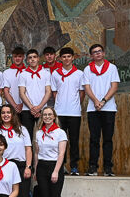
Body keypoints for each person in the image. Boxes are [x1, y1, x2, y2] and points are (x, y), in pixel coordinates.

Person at [0, 104, 37, 197]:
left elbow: (28, 149)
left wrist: (28, 167)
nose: (6, 115)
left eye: (9, 112)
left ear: (13, 115)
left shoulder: (22, 130)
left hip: (20, 166)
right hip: (4, 166)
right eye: (3, 112)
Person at [82, 44, 120, 176]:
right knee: (94, 139)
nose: (97, 54)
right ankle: (93, 167)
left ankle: (108, 168)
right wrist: (96, 101)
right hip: (93, 109)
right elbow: (87, 88)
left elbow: (114, 86)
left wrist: (103, 101)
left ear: (103, 53)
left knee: (108, 139)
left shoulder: (112, 68)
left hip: (108, 109)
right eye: (94, 52)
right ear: (91, 56)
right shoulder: (87, 69)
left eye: (99, 51)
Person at [34, 107, 67, 197]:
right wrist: (36, 170)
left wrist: (56, 171)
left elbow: (61, 154)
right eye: (45, 115)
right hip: (42, 166)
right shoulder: (38, 133)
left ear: (54, 117)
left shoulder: (60, 133)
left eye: (49, 115)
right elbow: (36, 153)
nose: (47, 117)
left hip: (54, 166)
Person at [51, 47, 84, 175]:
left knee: (74, 140)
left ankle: (74, 166)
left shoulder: (79, 74)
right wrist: (61, 103)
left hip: (74, 112)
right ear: (60, 58)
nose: (66, 59)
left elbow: (82, 93)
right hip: (59, 113)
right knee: (60, 141)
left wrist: (74, 104)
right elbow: (55, 93)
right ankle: (61, 166)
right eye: (64, 57)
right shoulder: (55, 74)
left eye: (69, 56)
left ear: (73, 57)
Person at [18, 49, 51, 139]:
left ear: (38, 59)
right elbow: (22, 93)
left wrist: (39, 107)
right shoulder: (23, 74)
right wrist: (32, 108)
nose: (32, 59)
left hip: (43, 109)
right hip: (27, 110)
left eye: (34, 57)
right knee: (27, 137)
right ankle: (30, 153)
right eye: (30, 58)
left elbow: (48, 92)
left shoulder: (46, 73)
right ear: (27, 60)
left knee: (45, 136)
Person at [3, 47, 26, 116]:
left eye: (20, 56)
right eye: (15, 56)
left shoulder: (27, 72)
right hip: (11, 107)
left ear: (23, 57)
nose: (17, 59)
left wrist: (23, 104)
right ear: (12, 57)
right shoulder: (6, 72)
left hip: (26, 107)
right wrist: (15, 105)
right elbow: (6, 91)